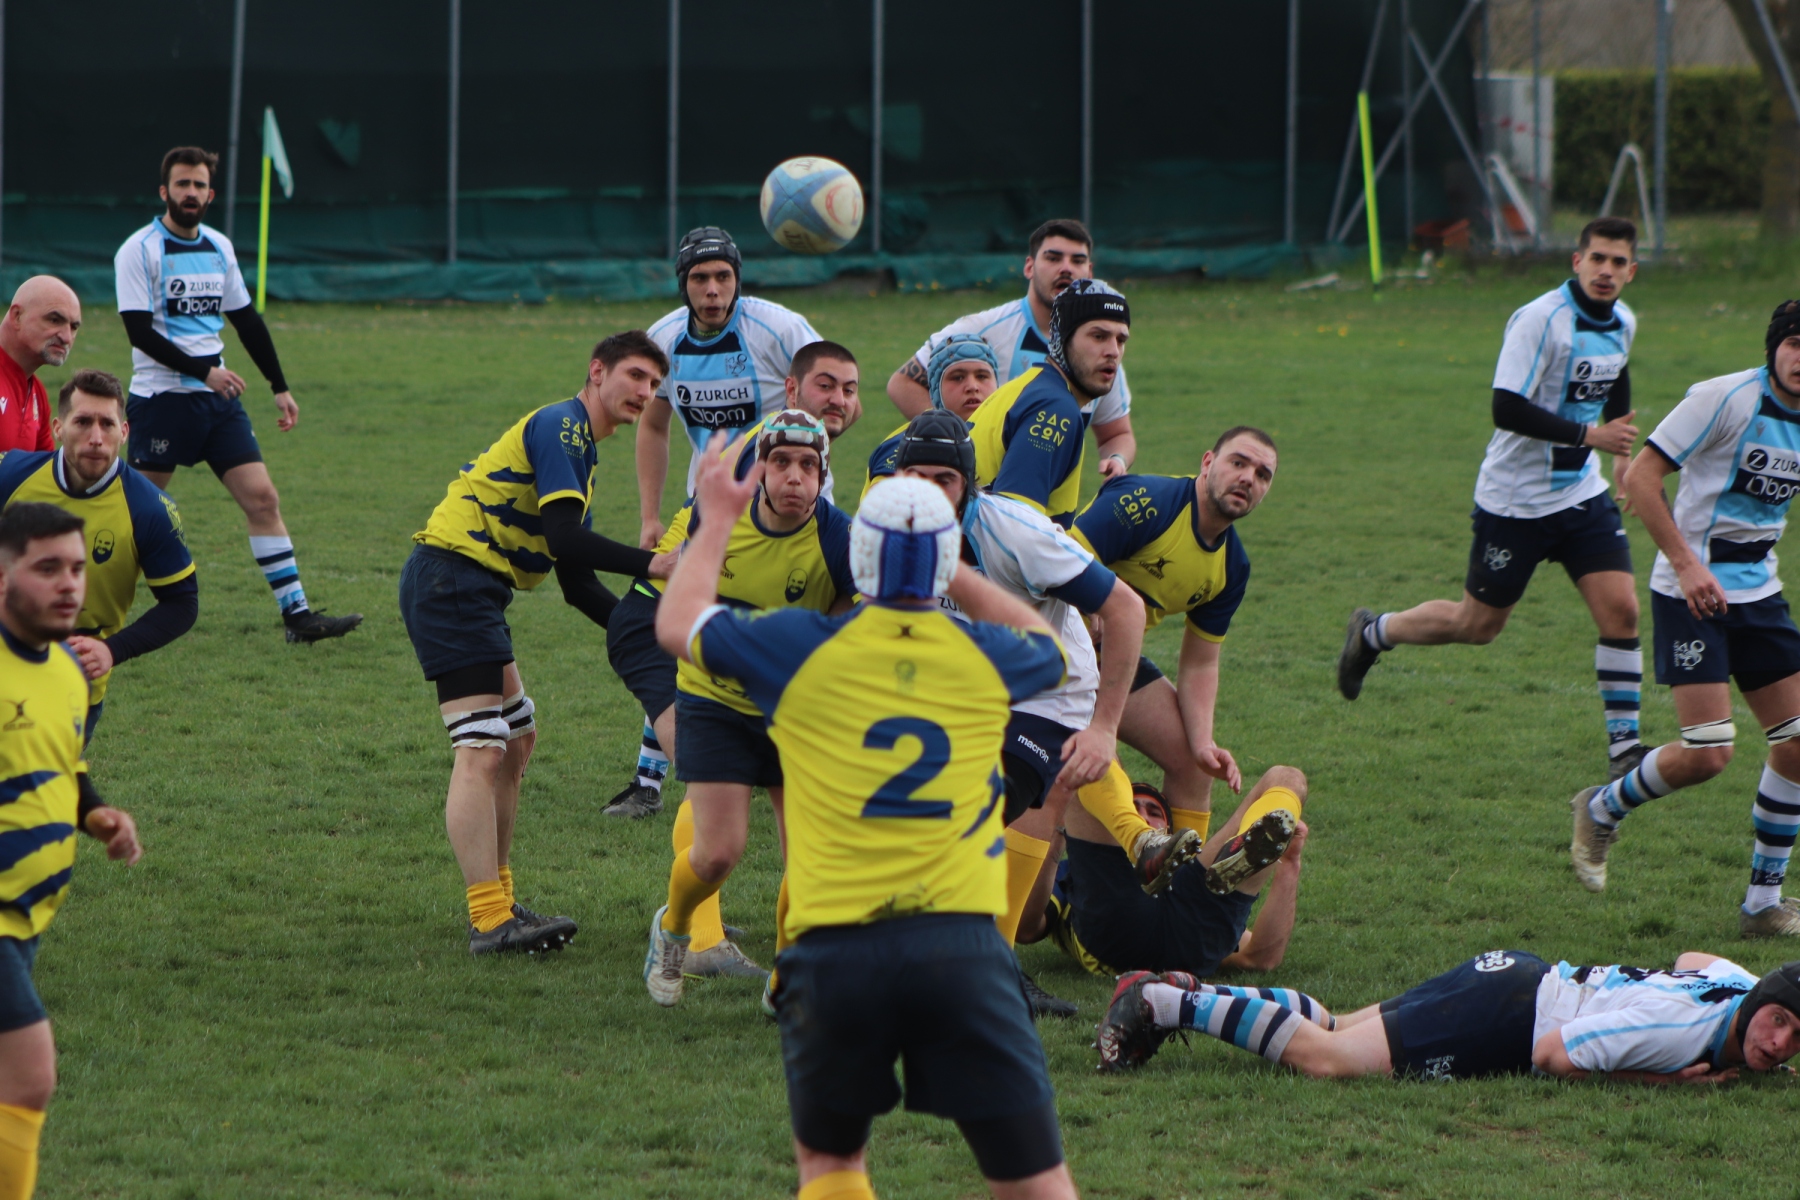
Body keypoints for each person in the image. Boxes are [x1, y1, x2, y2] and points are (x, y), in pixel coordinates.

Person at [651, 465, 1080, 1200]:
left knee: (833, 1167)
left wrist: (716, 519)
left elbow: (676, 623)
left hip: (836, 951)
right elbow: (1049, 646)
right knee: (1035, 1182)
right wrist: (949, 563)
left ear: (858, 556)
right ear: (944, 561)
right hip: (962, 948)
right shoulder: (987, 655)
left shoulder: (797, 644)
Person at [879, 410, 1195, 1020]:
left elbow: (1125, 610)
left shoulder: (1015, 533)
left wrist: (1104, 729)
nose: (928, 493)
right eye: (915, 478)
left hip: (1051, 693)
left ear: (967, 484)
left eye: (943, 480)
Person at [1339, 217, 1645, 781]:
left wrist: (1620, 449)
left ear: (1632, 271)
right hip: (1515, 501)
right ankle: (1373, 631)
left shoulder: (1623, 321)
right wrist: (1590, 435)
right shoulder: (1539, 320)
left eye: (1618, 262)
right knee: (1477, 625)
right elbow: (1506, 407)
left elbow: (1615, 378)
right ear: (1576, 261)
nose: (1606, 270)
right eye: (1597, 258)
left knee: (1622, 609)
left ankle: (1625, 747)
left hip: (1581, 493)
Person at [400, 332, 676, 955]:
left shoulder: (579, 454)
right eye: (635, 375)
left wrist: (650, 635)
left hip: (470, 588)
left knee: (516, 739)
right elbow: (566, 539)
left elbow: (576, 582)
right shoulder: (563, 427)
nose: (645, 392)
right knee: (481, 749)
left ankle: (501, 903)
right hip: (452, 580)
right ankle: (489, 918)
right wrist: (653, 565)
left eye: (655, 384)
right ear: (597, 371)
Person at [1569, 300, 1800, 938]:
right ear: (1774, 347)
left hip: (1760, 594)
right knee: (1709, 753)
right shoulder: (1722, 398)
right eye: (1795, 343)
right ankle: (1600, 807)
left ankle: (1762, 904)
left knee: (1798, 743)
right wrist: (1687, 565)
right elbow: (1643, 479)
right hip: (1689, 592)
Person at [641, 411, 857, 1004]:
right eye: (780, 462)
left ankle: (787, 979)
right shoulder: (720, 520)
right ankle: (674, 929)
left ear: (823, 475)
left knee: (809, 862)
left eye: (808, 465)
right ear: (758, 469)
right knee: (716, 854)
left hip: (796, 712)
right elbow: (682, 605)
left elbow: (857, 624)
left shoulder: (840, 538)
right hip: (715, 700)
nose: (794, 477)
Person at [113, 146, 359, 646]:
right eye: (182, 184)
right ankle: (91, 613)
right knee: (135, 515)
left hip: (217, 403)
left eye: (199, 185)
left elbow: (247, 321)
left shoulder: (219, 247)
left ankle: (297, 617)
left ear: (211, 194)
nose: (190, 193)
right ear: (164, 191)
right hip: (161, 402)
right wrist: (205, 372)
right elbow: (139, 332)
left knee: (263, 499)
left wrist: (279, 386)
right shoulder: (138, 250)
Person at [607, 340, 862, 819]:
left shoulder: (819, 497)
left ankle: (647, 783)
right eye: (825, 387)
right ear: (791, 390)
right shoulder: (760, 469)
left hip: (702, 616)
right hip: (660, 608)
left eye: (849, 391)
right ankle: (658, 791)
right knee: (710, 759)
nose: (839, 400)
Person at [0, 502, 143, 1199]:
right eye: (47, 568)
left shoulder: (67, 668)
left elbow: (63, 762)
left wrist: (95, 814)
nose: (69, 585)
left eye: (78, 569)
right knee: (30, 1077)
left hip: (28, 917)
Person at [1097, 947, 1800, 1087]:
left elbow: (1694, 957)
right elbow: (1555, 1054)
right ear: (1758, 1001)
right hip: (1510, 1014)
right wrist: (1663, 1081)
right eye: (1778, 1021)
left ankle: (1188, 987)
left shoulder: (1740, 984)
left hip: (1518, 974)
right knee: (1329, 1060)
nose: (1780, 1042)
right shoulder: (1675, 1031)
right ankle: (1159, 1004)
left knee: (1335, 1026)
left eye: (1797, 1037)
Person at [1069, 427, 1278, 843]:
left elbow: (1200, 662)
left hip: (1112, 656)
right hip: (1049, 642)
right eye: (1238, 462)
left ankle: (1181, 875)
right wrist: (1086, 607)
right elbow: (1058, 559)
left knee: (1195, 764)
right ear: (1207, 463)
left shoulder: (1232, 567)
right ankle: (1136, 849)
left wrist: (1202, 743)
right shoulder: (1146, 502)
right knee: (1089, 762)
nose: (1247, 478)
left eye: (1262, 475)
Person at [0, 370, 197, 741]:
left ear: (124, 432)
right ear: (58, 428)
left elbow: (182, 603)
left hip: (72, 690)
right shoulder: (10, 476)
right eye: (83, 422)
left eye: (107, 424)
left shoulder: (149, 510)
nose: (95, 438)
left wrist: (111, 650)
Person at [886, 218, 1135, 488]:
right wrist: (954, 443)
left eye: (1077, 260)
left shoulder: (1099, 357)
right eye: (1053, 258)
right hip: (979, 496)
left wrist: (1117, 459)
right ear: (1029, 267)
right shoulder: (985, 329)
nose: (1066, 268)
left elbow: (1117, 434)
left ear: (1090, 272)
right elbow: (902, 384)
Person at [1023, 770, 1309, 984]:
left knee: (1288, 778)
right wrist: (1056, 839)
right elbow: (1028, 929)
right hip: (1116, 932)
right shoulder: (1075, 873)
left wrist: (1290, 864)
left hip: (1188, 936)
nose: (1144, 815)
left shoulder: (1203, 879)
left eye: (1153, 812)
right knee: (1088, 759)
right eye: (1134, 808)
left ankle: (1250, 841)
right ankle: (1138, 839)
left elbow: (1261, 958)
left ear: (1170, 834)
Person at [966, 279, 1132, 527]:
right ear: (1062, 338)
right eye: (1099, 336)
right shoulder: (1055, 408)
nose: (1113, 351)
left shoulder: (1031, 387)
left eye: (1120, 340)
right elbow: (1016, 526)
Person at [863, 334, 999, 498]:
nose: (972, 386)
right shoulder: (910, 442)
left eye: (982, 376)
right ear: (935, 390)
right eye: (958, 378)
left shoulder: (1006, 435)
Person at [0, 277, 82, 454]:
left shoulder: (37, 394)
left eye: (74, 327)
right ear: (17, 316)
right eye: (54, 320)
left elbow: (42, 469)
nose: (67, 337)